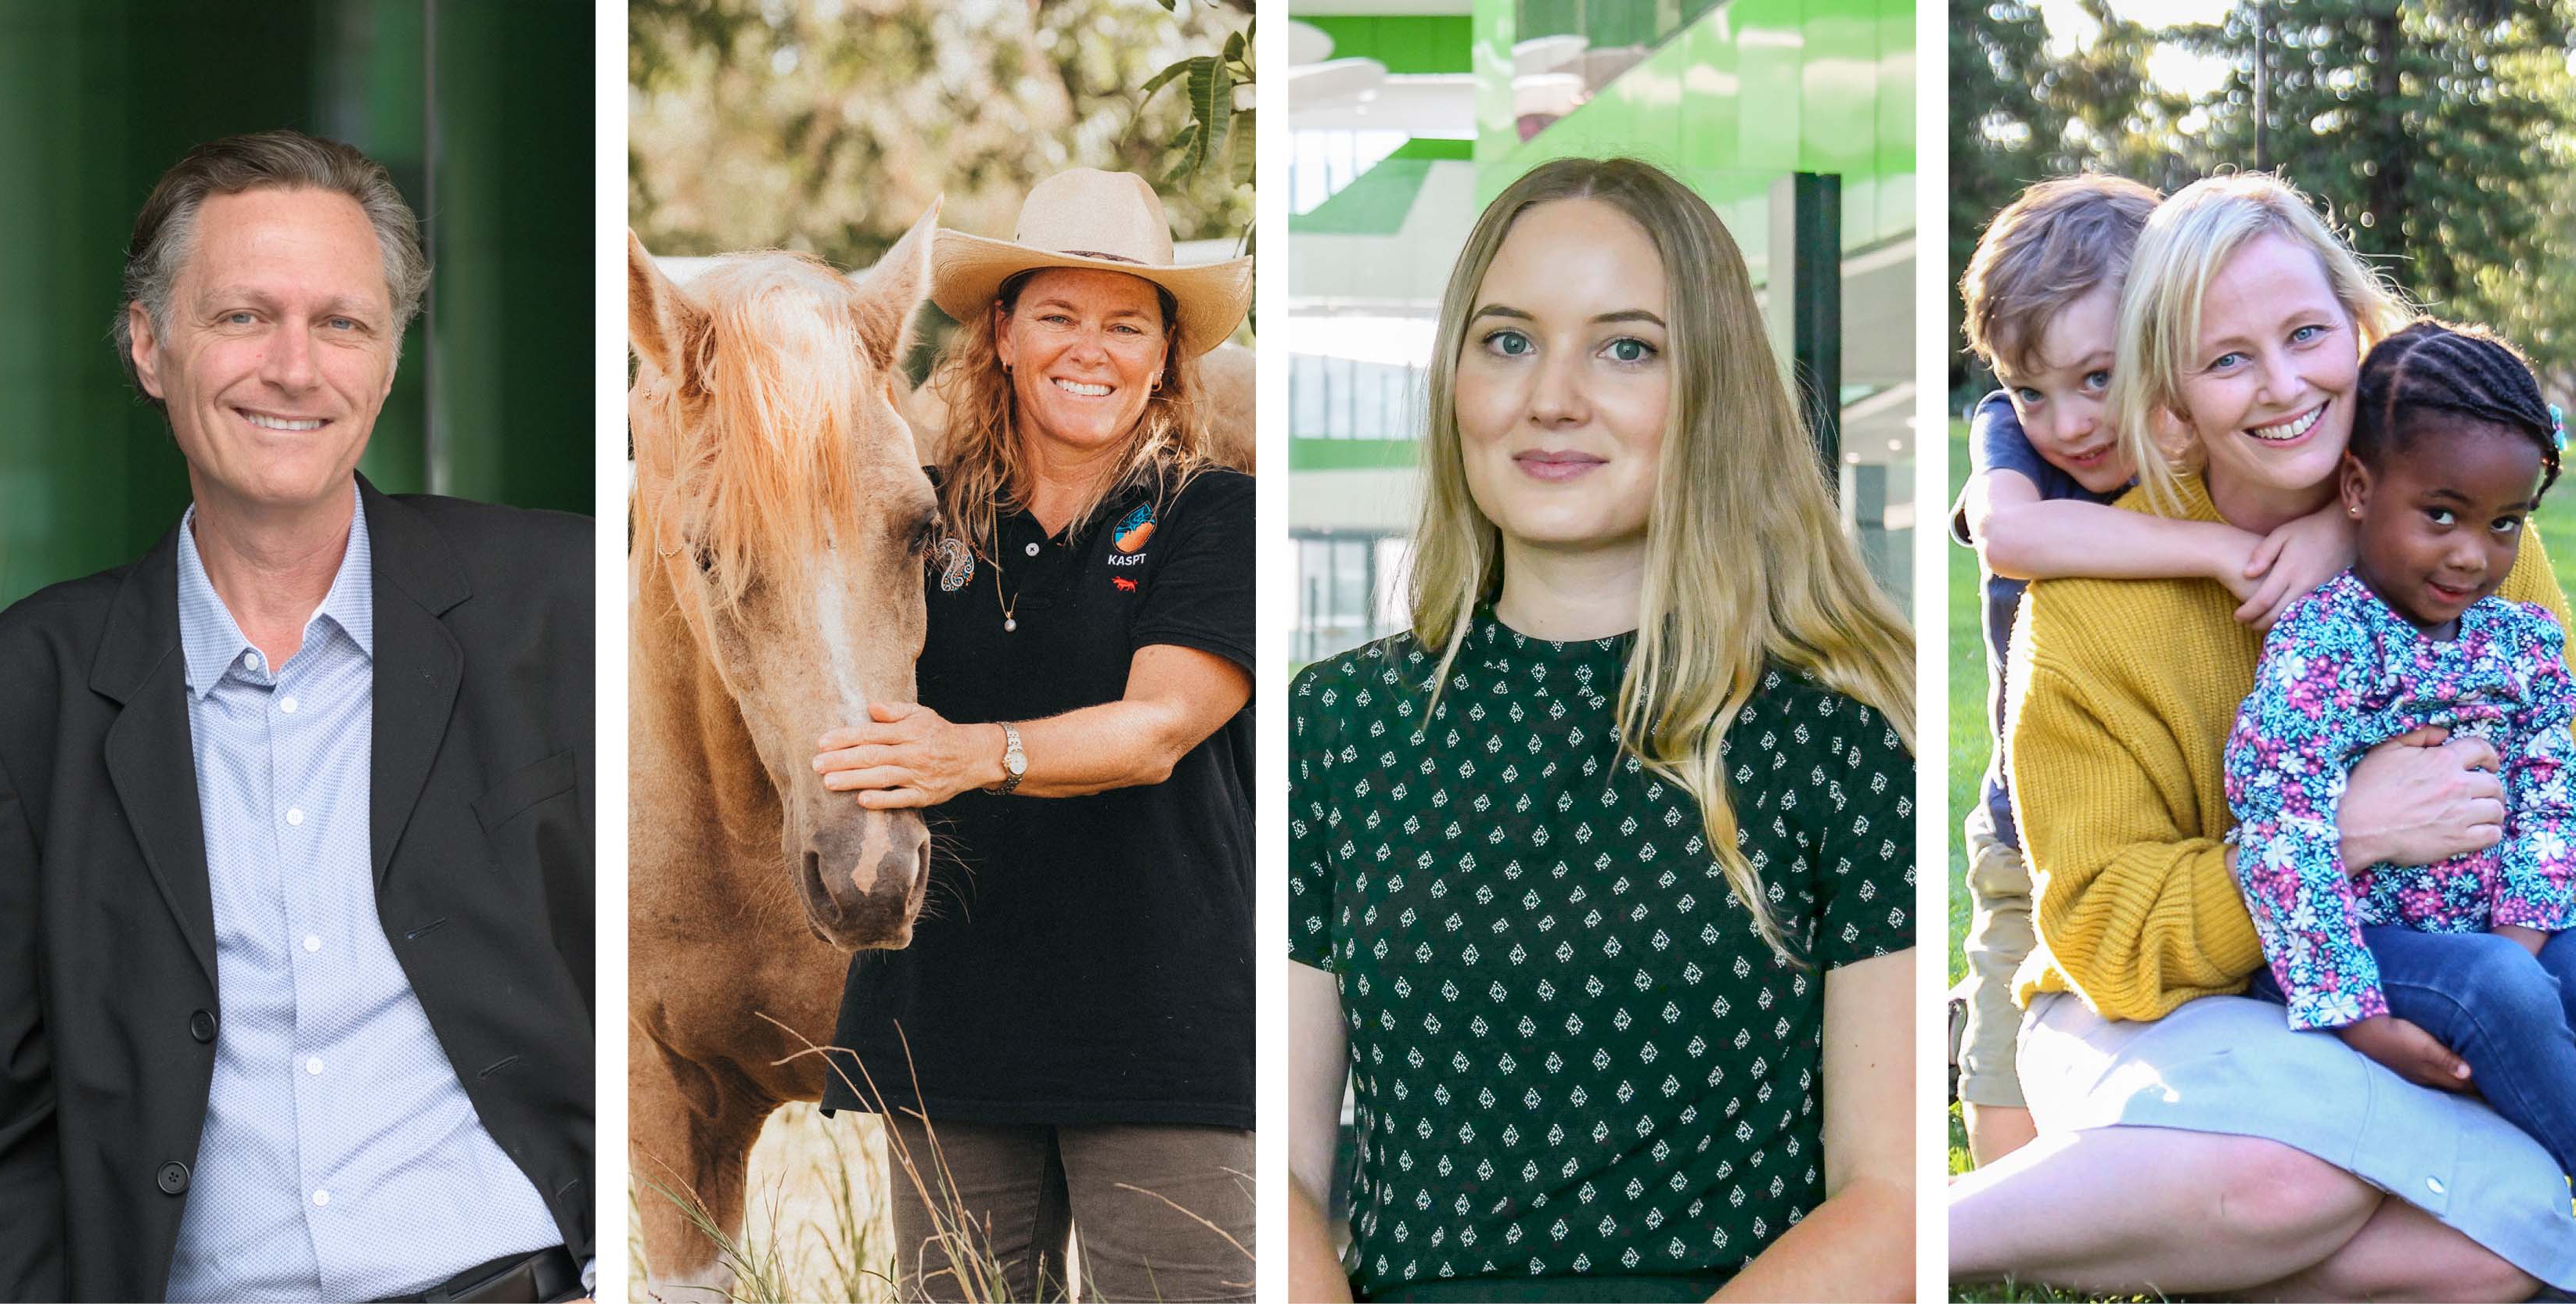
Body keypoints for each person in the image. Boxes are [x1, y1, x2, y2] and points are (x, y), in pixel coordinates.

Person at [0, 131, 592, 1302]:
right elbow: (0, 1127)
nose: (295, 368)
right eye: (245, 316)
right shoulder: (16, 695)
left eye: (343, 323)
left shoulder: (562, 602)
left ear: (391, 357)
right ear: (151, 346)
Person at [1286, 156, 1916, 1303]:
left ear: (1710, 385)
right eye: (1508, 341)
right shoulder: (1333, 727)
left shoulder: (1842, 738)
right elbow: (1273, 1165)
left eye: (1625, 347)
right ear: (1455, 381)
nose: (1553, 398)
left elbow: (1895, 1193)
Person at [1949, 173, 2576, 1299]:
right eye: (2228, 358)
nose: (2284, 386)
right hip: (2155, 1006)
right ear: (2173, 398)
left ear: (2358, 330)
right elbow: (2103, 939)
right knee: (2297, 1177)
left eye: (2304, 334)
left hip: (2400, 990)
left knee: (2495, 1247)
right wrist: (2339, 834)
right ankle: (1933, 1241)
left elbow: (2552, 769)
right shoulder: (2088, 599)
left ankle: (2189, 1234)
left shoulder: (2462, 522)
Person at [810, 167, 1257, 1302]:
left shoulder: (1215, 512)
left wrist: (972, 752)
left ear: (1164, 354)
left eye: (1124, 325)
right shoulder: (924, 513)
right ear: (1001, 332)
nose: (1088, 349)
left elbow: (1158, 726)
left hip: (1166, 1026)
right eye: (1057, 316)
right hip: (953, 1020)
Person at [1949, 174, 2359, 1166]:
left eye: (2098, 379)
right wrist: (2220, 552)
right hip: (2028, 829)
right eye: (2030, 389)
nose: (2070, 423)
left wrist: (2333, 525)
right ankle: (1975, 1080)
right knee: (2009, 1140)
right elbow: (2008, 532)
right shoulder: (2021, 445)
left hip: (2190, 813)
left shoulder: (2230, 419)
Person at [2225, 319, 2576, 1176]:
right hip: (2355, 942)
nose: (2472, 554)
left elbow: (2552, 791)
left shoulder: (2522, 645)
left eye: (2504, 524)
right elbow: (2283, 828)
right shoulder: (2326, 645)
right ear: (2358, 488)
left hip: (2493, 936)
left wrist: (2521, 931)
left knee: (2521, 976)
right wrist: (2359, 1017)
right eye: (2442, 514)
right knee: (2497, 990)